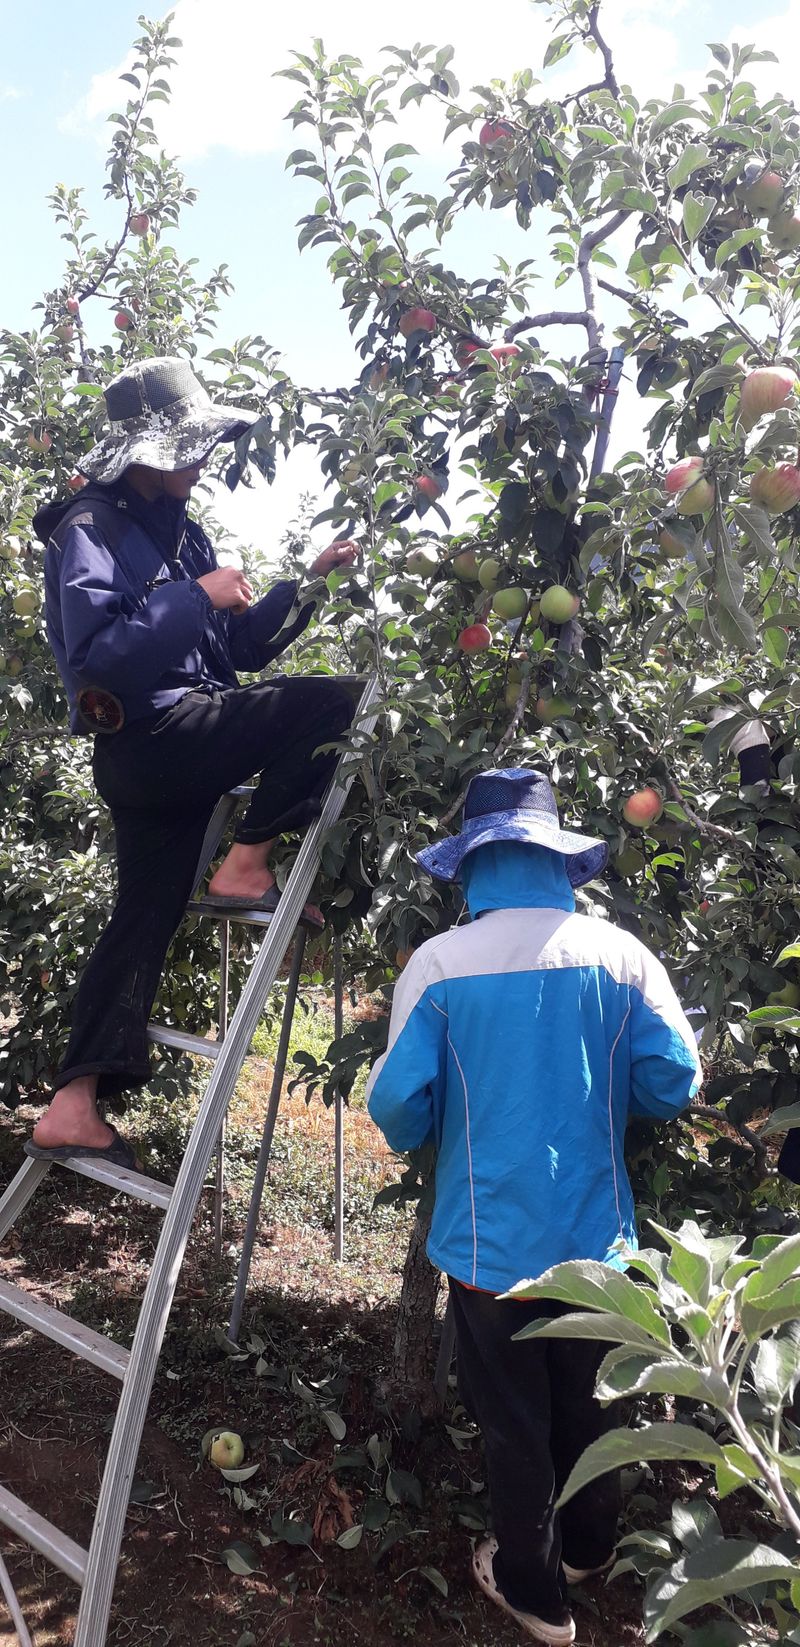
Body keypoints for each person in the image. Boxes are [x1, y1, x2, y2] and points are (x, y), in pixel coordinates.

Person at [366, 768, 702, 1646]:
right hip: (595, 1236)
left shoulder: (441, 964)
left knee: (513, 1421)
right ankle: (589, 1548)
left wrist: (448, 1120)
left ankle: (536, 1592)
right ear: (556, 860)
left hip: (489, 1240)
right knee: (591, 1405)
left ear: (474, 864)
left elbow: (398, 1106)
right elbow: (675, 1080)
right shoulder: (622, 954)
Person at [27, 355, 357, 1171]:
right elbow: (102, 658)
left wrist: (304, 585)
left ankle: (73, 1103)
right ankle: (248, 864)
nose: (200, 458)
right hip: (151, 739)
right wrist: (196, 594)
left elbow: (236, 651)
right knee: (337, 701)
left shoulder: (179, 530)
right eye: (187, 445)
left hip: (173, 747)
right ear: (144, 449)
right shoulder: (90, 529)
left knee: (141, 917)